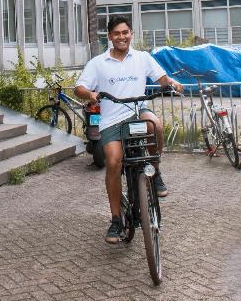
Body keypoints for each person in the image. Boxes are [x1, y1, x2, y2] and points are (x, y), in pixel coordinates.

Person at [74, 16, 183, 244]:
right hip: (112, 121)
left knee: (156, 126)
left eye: (125, 32)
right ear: (110, 37)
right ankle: (115, 219)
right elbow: (79, 87)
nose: (122, 37)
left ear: (131, 33)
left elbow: (161, 78)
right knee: (113, 162)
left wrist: (172, 83)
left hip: (137, 112)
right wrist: (90, 94)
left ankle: (155, 170)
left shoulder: (142, 58)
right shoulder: (98, 63)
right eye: (117, 33)